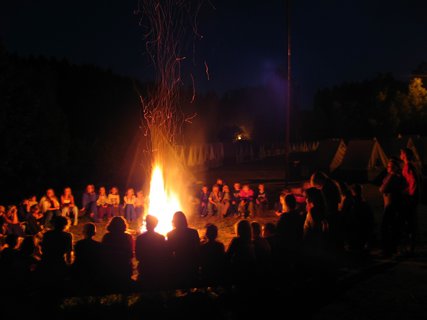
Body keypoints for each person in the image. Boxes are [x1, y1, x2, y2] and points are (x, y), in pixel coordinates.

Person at [166, 211, 200, 288]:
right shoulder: (193, 232)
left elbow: (169, 251)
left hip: (179, 264)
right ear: (184, 220)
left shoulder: (170, 234)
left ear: (174, 221)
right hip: (192, 264)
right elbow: (198, 249)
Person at [379, 159, 405, 257]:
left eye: (389, 166)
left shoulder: (393, 176)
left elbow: (383, 188)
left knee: (384, 227)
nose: (387, 167)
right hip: (394, 204)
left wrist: (382, 188)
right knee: (392, 227)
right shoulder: (398, 177)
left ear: (394, 168)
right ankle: (392, 248)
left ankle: (386, 249)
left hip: (390, 204)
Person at [135, 215, 167, 289]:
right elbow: (164, 255)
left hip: (144, 269)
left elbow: (138, 256)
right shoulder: (161, 238)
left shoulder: (140, 238)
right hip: (158, 268)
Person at [101, 216, 133, 285]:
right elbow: (130, 254)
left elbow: (103, 253)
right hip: (124, 268)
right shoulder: (128, 237)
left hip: (110, 268)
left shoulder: (107, 236)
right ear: (123, 225)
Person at [39, 216, 73, 281]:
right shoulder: (67, 236)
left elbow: (43, 249)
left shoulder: (47, 234)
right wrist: (69, 264)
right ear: (65, 225)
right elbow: (69, 252)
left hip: (46, 261)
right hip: (59, 262)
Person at [400, 147, 420, 254]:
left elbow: (413, 182)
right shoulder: (412, 166)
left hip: (410, 199)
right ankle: (411, 244)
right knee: (411, 221)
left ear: (404, 155)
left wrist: (409, 194)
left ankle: (410, 246)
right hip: (412, 197)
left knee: (409, 221)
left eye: (401, 153)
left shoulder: (408, 166)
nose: (400, 155)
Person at [276, 194, 305, 262]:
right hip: (298, 246)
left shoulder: (285, 216)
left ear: (285, 204)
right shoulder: (299, 216)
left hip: (287, 246)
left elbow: (278, 230)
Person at [347, 184, 374, 254]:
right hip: (364, 229)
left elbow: (353, 217)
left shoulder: (354, 203)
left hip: (358, 229)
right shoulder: (364, 203)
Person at [226, 219, 256, 285]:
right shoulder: (252, 242)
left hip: (239, 271)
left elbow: (228, 255)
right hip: (250, 272)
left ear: (239, 230)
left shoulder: (236, 241)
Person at [73, 223, 102, 288]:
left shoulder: (79, 244)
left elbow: (76, 257)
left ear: (83, 232)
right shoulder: (98, 245)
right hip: (93, 270)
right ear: (94, 233)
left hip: (80, 269)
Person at [303, 187, 329, 259]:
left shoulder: (313, 213)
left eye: (306, 198)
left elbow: (314, 232)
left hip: (313, 251)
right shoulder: (321, 210)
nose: (305, 200)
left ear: (311, 199)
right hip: (317, 249)